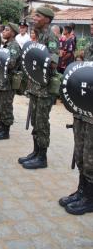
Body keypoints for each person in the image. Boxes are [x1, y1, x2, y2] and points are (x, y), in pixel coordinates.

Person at [18, 7, 59, 169]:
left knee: (42, 123)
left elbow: (54, 63)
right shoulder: (40, 37)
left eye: (38, 16)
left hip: (45, 89)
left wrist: (39, 58)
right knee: (35, 121)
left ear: (47, 20)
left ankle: (42, 157)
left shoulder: (51, 38)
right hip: (35, 87)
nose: (34, 18)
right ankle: (35, 152)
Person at [59, 21, 93, 215]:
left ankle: (90, 198)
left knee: (91, 157)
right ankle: (82, 191)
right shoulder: (89, 46)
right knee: (80, 153)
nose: (92, 26)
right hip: (82, 110)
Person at [0, 23, 21, 140]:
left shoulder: (14, 46)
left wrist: (1, 60)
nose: (3, 31)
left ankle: (5, 131)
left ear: (13, 33)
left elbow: (11, 63)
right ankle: (1, 128)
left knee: (6, 107)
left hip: (8, 82)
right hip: (1, 81)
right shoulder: (7, 45)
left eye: (7, 30)